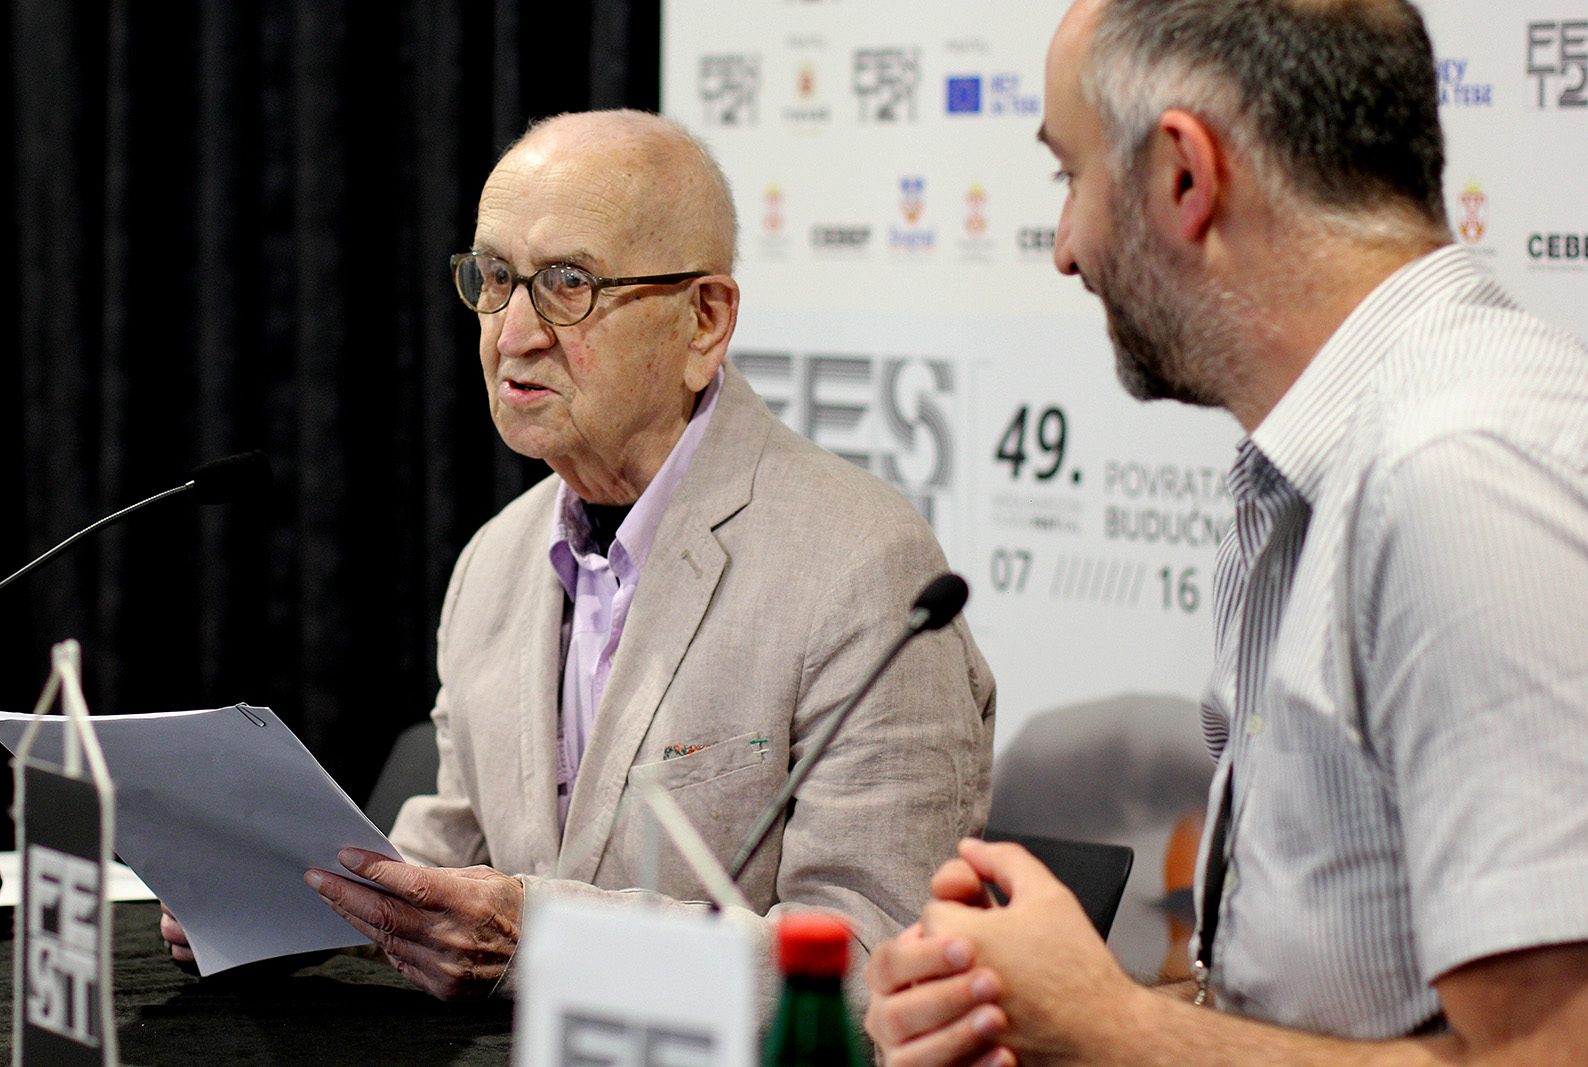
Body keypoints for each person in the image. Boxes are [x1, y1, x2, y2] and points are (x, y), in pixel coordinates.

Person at [864, 1, 1588, 1064]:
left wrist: (1110, 1023)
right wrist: (1034, 1011)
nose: (1064, 249)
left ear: (1183, 176)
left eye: (1070, 176)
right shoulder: (1328, 462)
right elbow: (1317, 1006)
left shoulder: (1456, 471)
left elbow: (1561, 1051)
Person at [163, 109, 996, 1002]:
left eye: (568, 284)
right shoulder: (495, 559)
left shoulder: (862, 567)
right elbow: (463, 853)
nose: (511, 334)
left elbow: (881, 966)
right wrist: (292, 902)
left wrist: (548, 944)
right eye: (495, 278)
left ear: (704, 321)